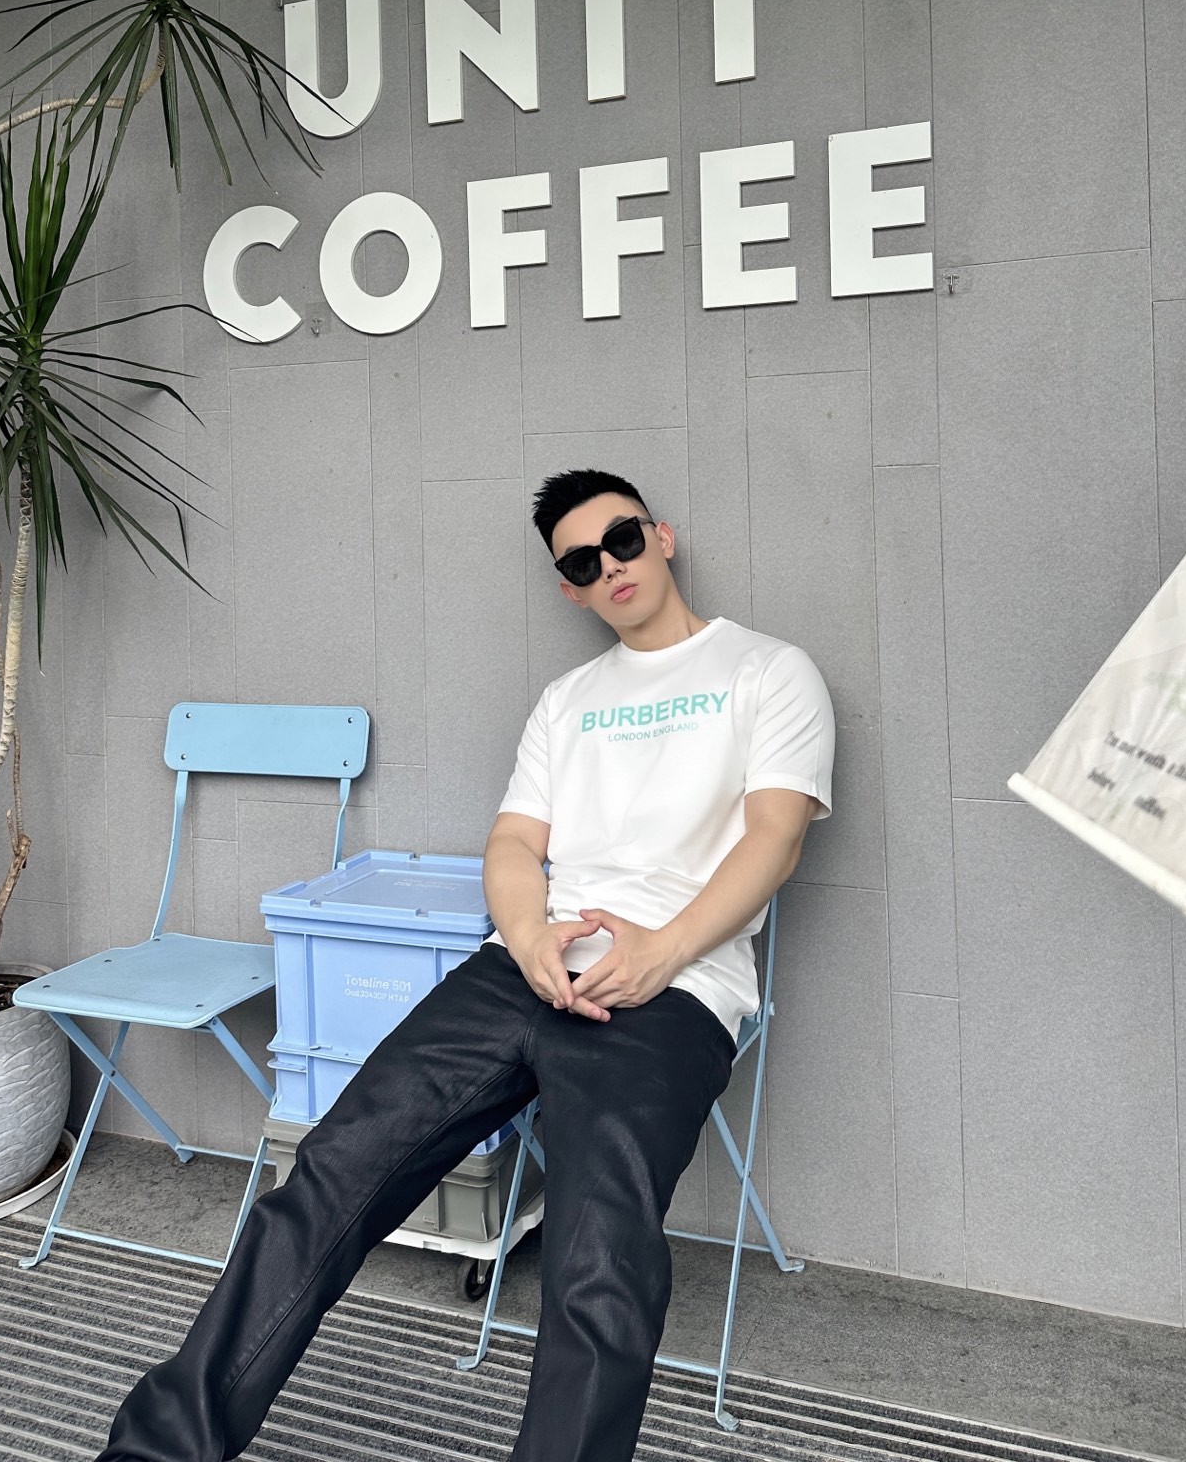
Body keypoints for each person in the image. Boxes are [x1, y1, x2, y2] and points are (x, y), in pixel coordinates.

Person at [96, 468, 835, 1462]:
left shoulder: (768, 671)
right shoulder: (568, 701)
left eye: (622, 539)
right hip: (521, 970)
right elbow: (514, 845)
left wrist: (661, 951)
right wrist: (526, 940)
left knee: (597, 1253)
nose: (610, 566)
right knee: (331, 1170)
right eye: (583, 562)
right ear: (569, 588)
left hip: (675, 988)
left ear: (661, 537)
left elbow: (775, 839)